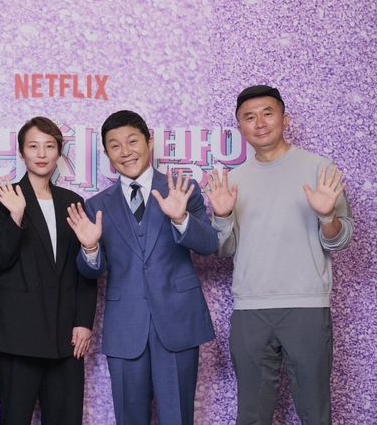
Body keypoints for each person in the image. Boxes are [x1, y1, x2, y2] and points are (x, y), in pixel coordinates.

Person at [205, 85, 353, 424]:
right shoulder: (233, 181)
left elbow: (340, 240)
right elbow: (225, 249)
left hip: (306, 306)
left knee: (315, 412)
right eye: (249, 117)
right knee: (252, 414)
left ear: (285, 119)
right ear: (240, 127)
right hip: (250, 309)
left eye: (267, 113)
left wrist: (327, 217)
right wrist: (222, 216)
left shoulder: (319, 169)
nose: (259, 123)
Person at [66, 110, 217, 425]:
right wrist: (90, 248)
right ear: (107, 154)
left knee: (178, 418)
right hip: (125, 327)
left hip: (177, 321)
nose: (125, 151)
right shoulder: (97, 205)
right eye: (115, 145)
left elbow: (208, 244)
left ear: (149, 142)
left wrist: (180, 218)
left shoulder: (181, 188)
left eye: (132, 141)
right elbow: (91, 271)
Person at [0, 116, 97, 425]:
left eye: (49, 146)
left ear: (59, 152)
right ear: (21, 152)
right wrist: (16, 217)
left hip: (65, 334)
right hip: (17, 334)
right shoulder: (2, 197)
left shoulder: (72, 202)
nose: (42, 153)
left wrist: (83, 321)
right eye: (33, 146)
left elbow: (82, 268)